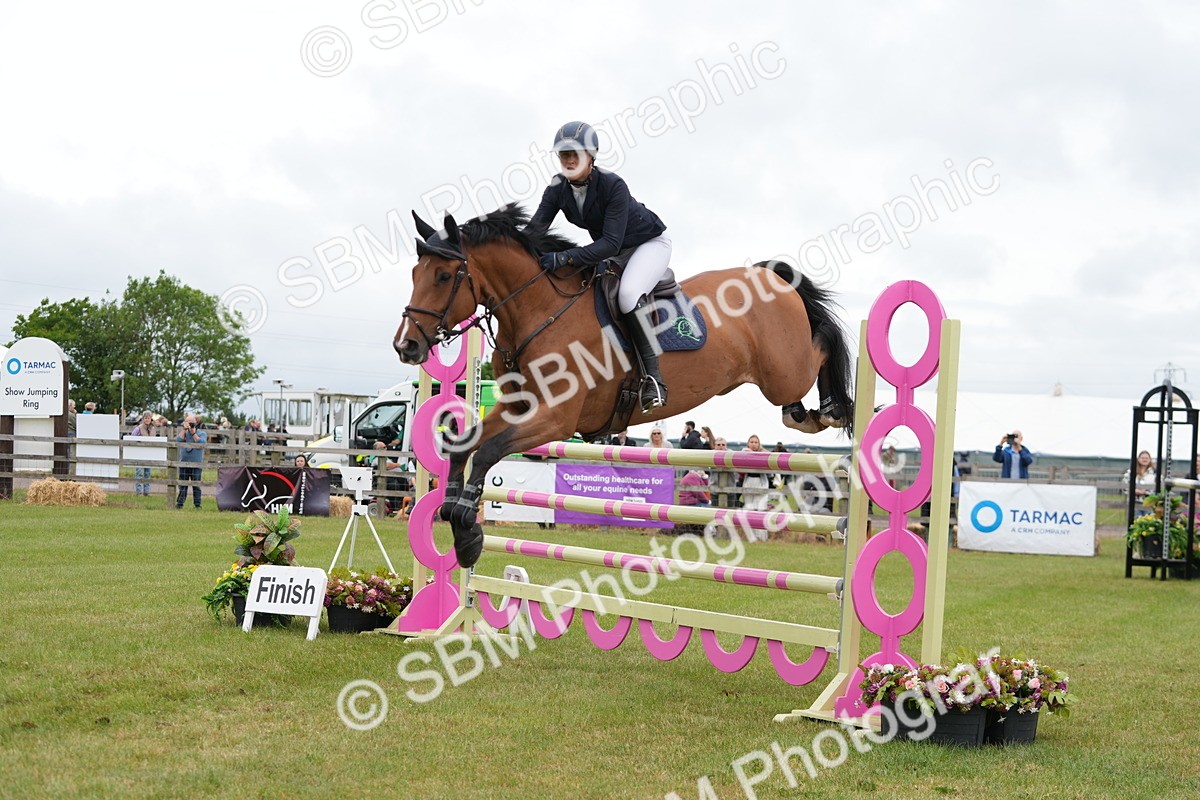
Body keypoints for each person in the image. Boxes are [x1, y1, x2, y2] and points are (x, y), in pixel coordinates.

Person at [527, 120, 671, 413]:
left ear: (591, 157)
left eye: (575, 155)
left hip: (647, 245)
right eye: (563, 155)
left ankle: (654, 380)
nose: (568, 160)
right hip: (614, 250)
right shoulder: (557, 188)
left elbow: (610, 244)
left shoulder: (613, 185)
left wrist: (565, 257)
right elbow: (534, 232)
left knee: (628, 294)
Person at [175, 414, 207, 509]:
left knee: (196, 485)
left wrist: (193, 433)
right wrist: (184, 430)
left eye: (191, 423)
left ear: (196, 423)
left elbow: (201, 443)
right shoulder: (183, 433)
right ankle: (180, 504)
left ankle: (197, 505)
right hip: (184, 463)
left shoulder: (201, 433)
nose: (190, 425)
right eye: (187, 422)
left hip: (196, 464)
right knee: (183, 485)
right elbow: (178, 441)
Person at [739, 434, 771, 512]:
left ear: (759, 444)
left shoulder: (764, 453)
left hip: (761, 481)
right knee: (748, 505)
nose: (753, 444)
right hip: (748, 480)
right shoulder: (744, 452)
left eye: (756, 442)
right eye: (752, 442)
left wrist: (753, 453)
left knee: (760, 506)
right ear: (748, 443)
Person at [129, 411, 157, 496]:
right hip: (139, 453)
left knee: (147, 473)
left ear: (151, 419)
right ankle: (138, 492)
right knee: (139, 472)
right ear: (143, 419)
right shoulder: (138, 428)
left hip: (149, 453)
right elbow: (132, 439)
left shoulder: (153, 429)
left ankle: (146, 492)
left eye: (148, 418)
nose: (147, 419)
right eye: (145, 418)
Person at [711, 438, 736, 507]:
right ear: (715, 446)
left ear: (726, 446)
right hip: (714, 489)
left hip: (730, 490)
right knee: (714, 512)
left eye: (723, 444)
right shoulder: (710, 455)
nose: (721, 446)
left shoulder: (731, 455)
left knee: (730, 513)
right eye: (718, 445)